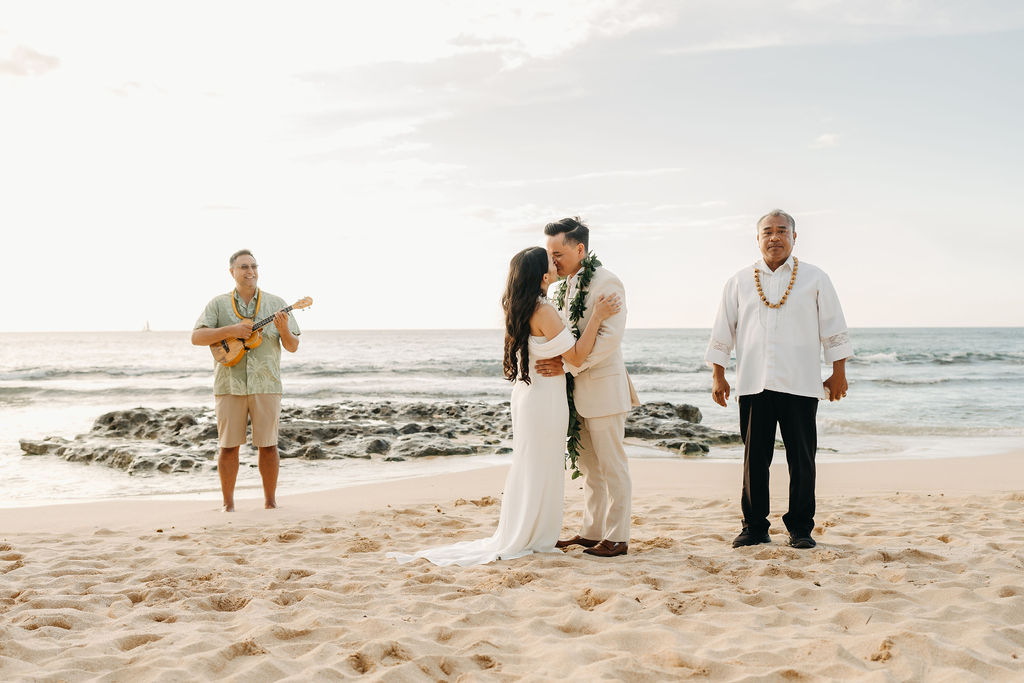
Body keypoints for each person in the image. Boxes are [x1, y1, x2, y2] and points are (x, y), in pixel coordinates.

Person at [387, 246, 620, 566]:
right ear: (542, 276)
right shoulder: (544, 311)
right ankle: (534, 534)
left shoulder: (518, 306)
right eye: (551, 262)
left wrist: (562, 365)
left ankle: (528, 529)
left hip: (528, 396)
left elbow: (548, 354)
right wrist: (598, 316)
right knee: (542, 466)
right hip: (545, 399)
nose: (555, 264)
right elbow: (577, 356)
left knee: (530, 465)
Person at [705, 209, 853, 549]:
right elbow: (723, 329)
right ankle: (754, 526)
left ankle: (800, 528)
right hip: (754, 384)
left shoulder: (815, 278)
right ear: (757, 239)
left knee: (802, 459)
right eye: (767, 232)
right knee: (754, 459)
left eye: (782, 231)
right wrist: (719, 374)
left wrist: (838, 371)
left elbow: (834, 325)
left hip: (800, 383)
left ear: (794, 237)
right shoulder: (740, 280)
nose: (775, 237)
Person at [534, 217, 640, 558]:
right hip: (574, 393)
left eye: (558, 253)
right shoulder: (562, 286)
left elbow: (608, 341)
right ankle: (591, 531)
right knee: (591, 469)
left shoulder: (609, 283)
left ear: (580, 249)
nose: (553, 261)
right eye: (550, 254)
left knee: (613, 466)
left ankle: (618, 537)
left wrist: (568, 364)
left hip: (604, 390)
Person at [190, 249, 300, 512]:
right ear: (232, 272)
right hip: (230, 384)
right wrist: (231, 330)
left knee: (269, 445)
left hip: (267, 383)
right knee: (228, 446)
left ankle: (270, 502)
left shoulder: (276, 304)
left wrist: (283, 328)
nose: (250, 271)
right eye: (243, 267)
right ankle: (228, 505)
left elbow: (293, 345)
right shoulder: (218, 304)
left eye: (253, 266)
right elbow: (196, 337)